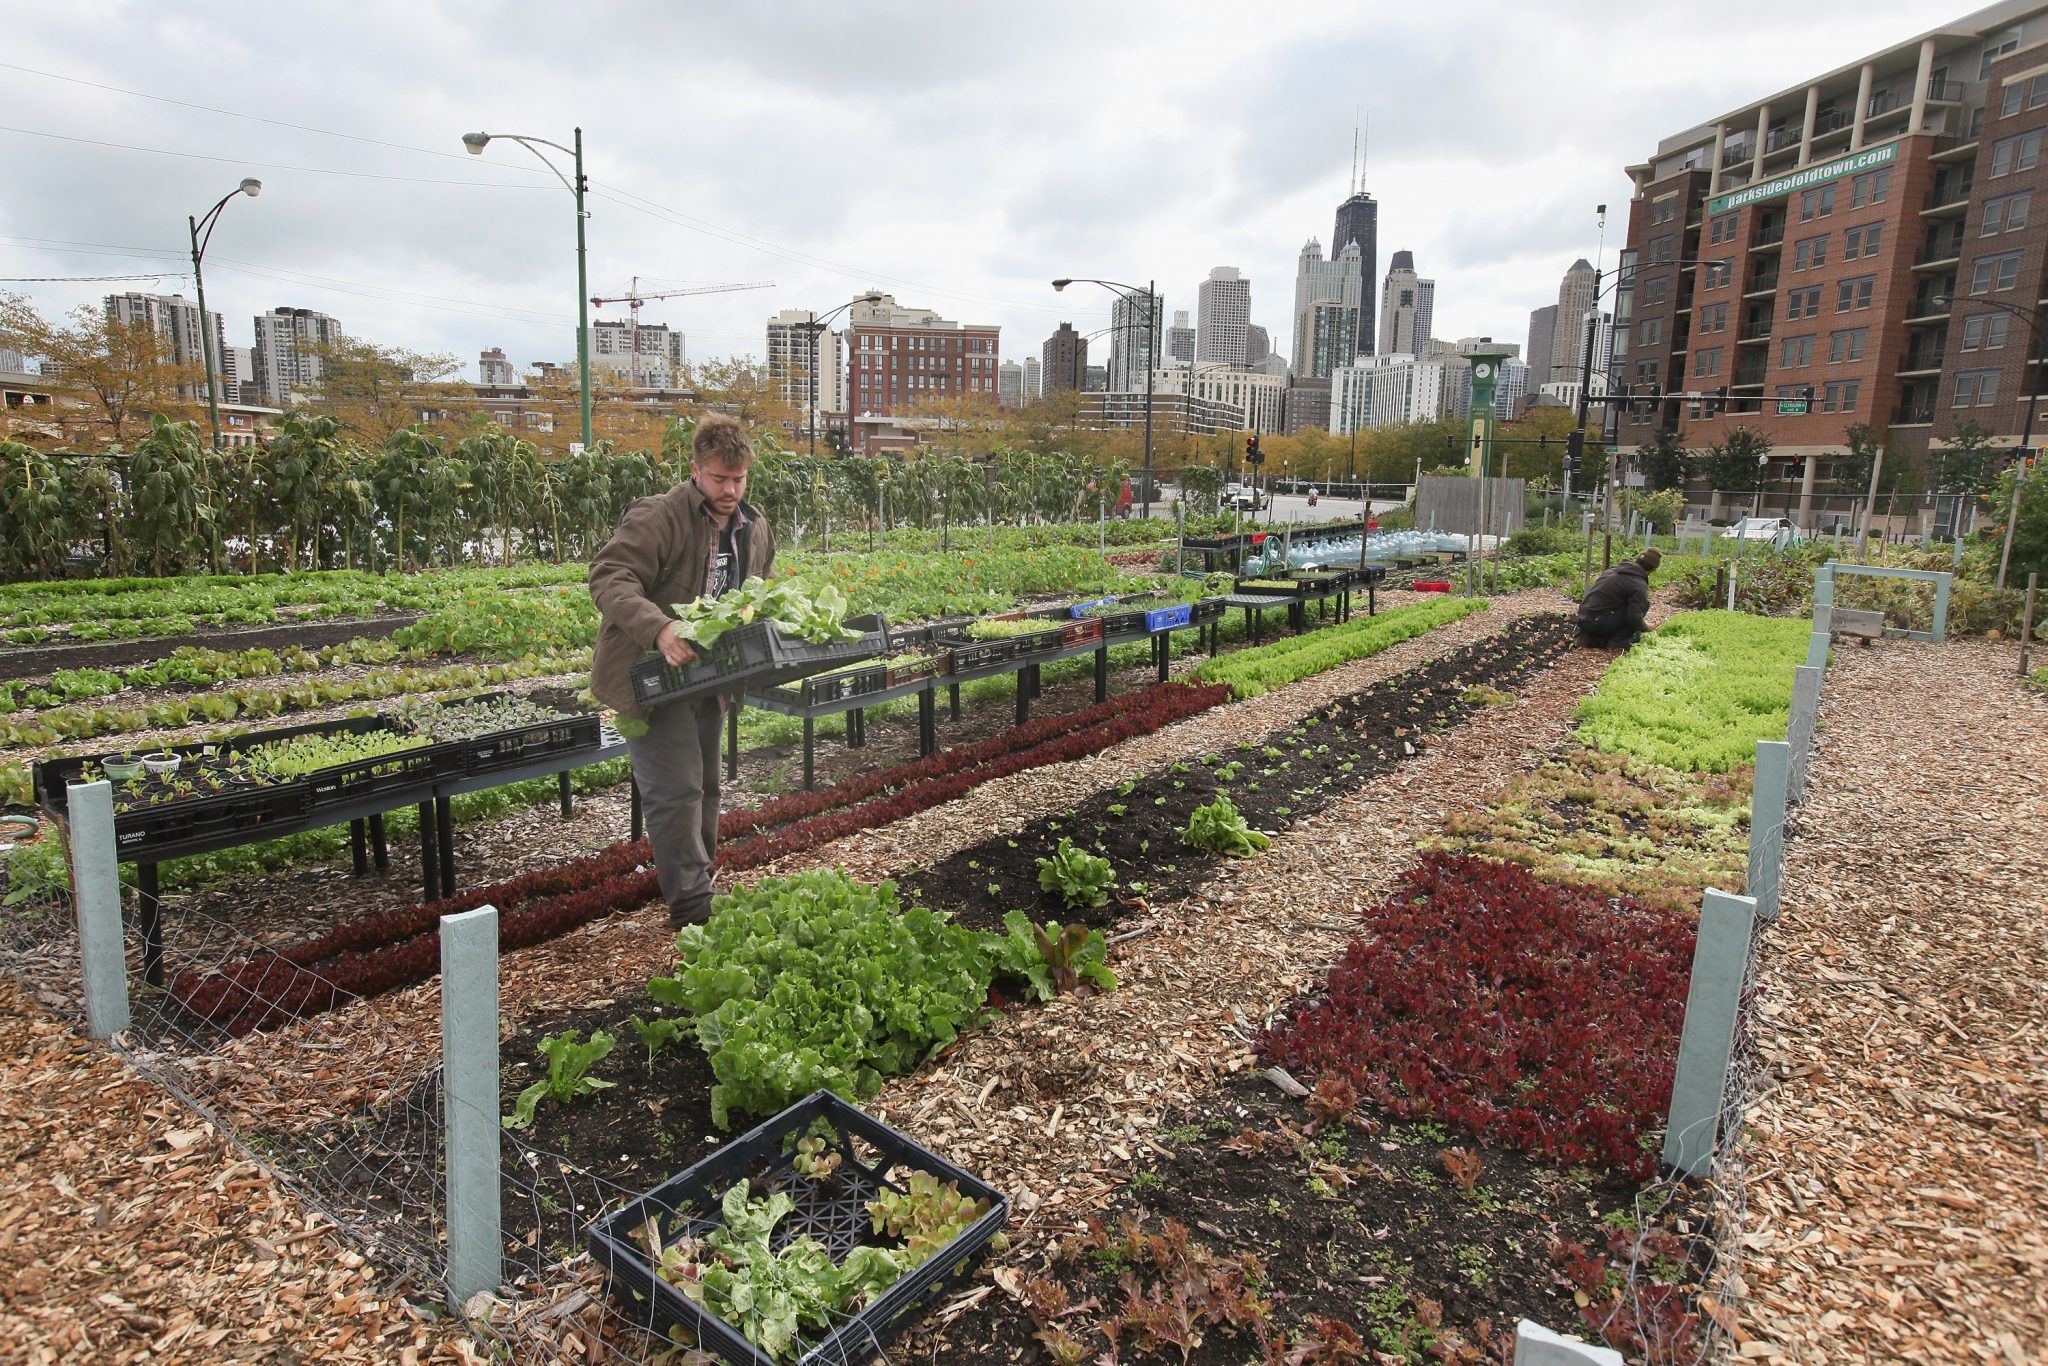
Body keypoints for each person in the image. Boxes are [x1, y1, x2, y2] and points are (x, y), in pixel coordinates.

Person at [588, 414, 777, 927]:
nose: (730, 489)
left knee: (707, 786)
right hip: (650, 673)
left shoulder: (754, 528)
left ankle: (699, 883)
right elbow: (609, 575)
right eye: (719, 479)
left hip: (707, 677)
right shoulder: (659, 517)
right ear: (695, 469)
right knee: (676, 791)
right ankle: (692, 908)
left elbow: (757, 593)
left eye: (738, 479)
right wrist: (659, 628)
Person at [1576, 546, 1661, 649]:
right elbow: (1634, 617)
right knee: (1644, 605)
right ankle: (1618, 642)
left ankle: (1590, 637)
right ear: (1653, 569)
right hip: (1597, 622)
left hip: (1582, 618)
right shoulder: (1639, 584)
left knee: (1613, 606)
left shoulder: (1613, 570)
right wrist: (1646, 627)